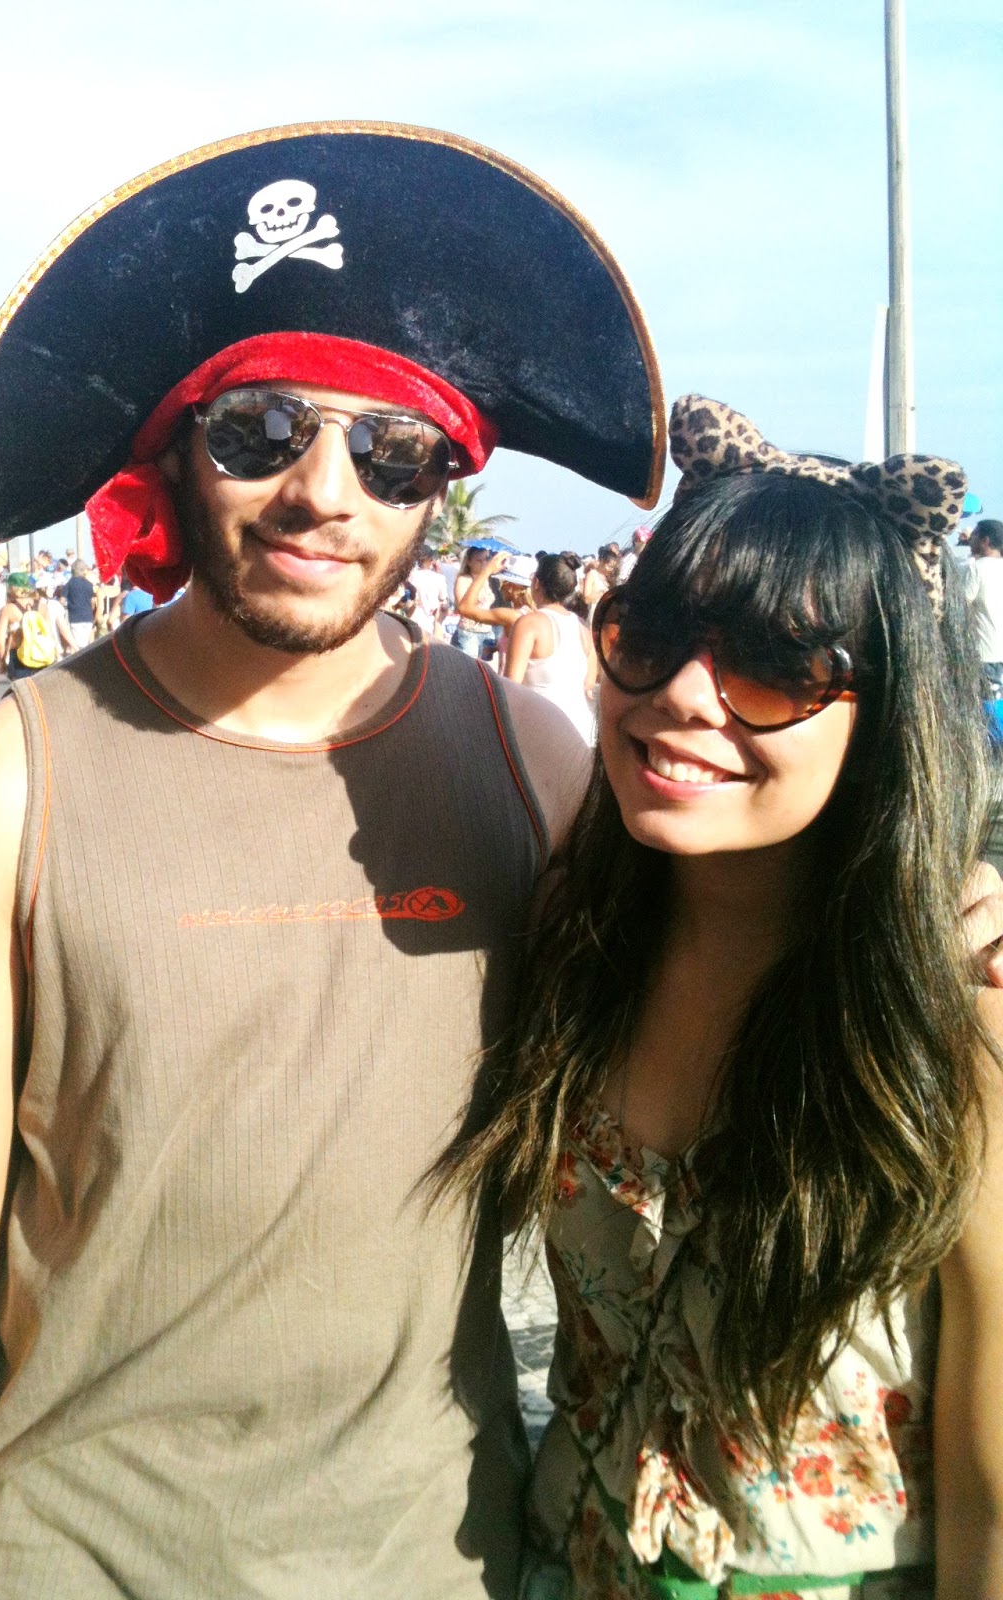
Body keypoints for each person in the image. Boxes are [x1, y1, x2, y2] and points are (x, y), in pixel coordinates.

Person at [0, 124, 672, 1600]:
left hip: (441, 1558)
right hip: (76, 1559)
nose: (324, 492)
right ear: (173, 449)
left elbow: (703, 1008)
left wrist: (932, 930)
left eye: (392, 452)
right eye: (262, 430)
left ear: (440, 490)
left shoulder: (526, 762)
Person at [448, 397, 1003, 1599]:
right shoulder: (573, 935)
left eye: (778, 666)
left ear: (886, 713)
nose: (689, 695)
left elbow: (994, 1480)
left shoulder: (961, 1015)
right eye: (653, 633)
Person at [503, 553, 596, 743]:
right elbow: (588, 685)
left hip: (540, 732)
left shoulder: (529, 623)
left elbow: (510, 688)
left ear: (536, 583)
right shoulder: (583, 631)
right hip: (581, 734)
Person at [962, 518, 1003, 696]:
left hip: (984, 653)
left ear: (985, 541)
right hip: (999, 652)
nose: (970, 539)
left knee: (985, 705)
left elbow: (961, 605)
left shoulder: (977, 568)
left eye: (974, 536)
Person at [0, 572, 55, 679]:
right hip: (41, 655)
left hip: (19, 657)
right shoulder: (42, 607)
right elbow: (49, 633)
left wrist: (2, 660)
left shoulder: (8, 609)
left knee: (21, 688)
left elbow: (0, 640)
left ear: (13, 588)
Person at [451, 542, 499, 657]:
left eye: (485, 560)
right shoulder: (464, 579)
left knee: (487, 665)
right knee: (469, 663)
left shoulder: (488, 581)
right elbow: (461, 605)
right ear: (469, 562)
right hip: (468, 631)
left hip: (487, 631)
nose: (483, 564)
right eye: (479, 561)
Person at [409, 551, 448, 636]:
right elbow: (443, 598)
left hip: (412, 617)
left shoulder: (411, 576)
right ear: (431, 561)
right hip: (431, 619)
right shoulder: (439, 578)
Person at [63, 558, 97, 650]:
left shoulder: (69, 583)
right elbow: (93, 601)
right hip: (88, 617)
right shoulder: (89, 584)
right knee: (86, 644)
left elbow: (62, 599)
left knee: (78, 646)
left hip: (75, 617)